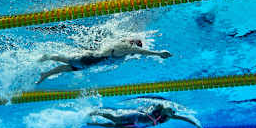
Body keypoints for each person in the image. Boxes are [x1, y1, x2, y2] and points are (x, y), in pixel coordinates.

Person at [36, 39, 171, 84]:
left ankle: (45, 74)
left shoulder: (124, 52)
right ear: (133, 45)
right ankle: (47, 57)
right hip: (87, 60)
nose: (134, 51)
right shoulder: (123, 48)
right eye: (135, 47)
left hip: (89, 63)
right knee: (65, 61)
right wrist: (158, 53)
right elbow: (140, 52)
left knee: (66, 68)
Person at [88, 97, 204, 128]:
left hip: (139, 126)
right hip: (137, 116)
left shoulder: (169, 116)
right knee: (116, 119)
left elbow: (185, 118)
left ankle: (94, 123)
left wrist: (197, 125)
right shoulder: (159, 106)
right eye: (169, 109)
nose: (170, 112)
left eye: (171, 111)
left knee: (115, 126)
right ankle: (96, 112)